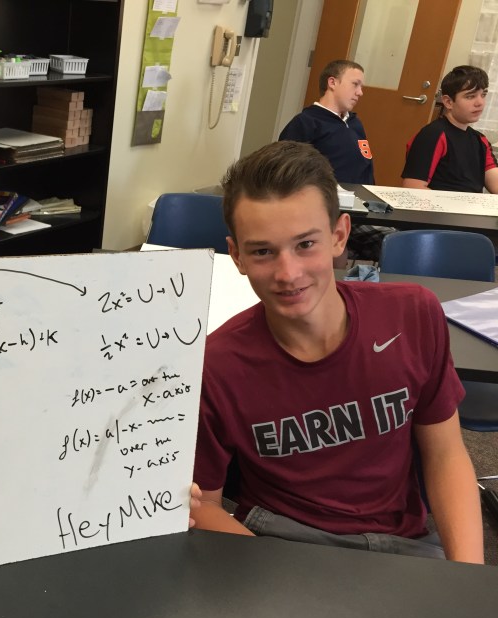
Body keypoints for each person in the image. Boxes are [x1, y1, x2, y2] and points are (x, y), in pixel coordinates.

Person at [190, 140, 484, 564]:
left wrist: (468, 575)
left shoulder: (413, 314)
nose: (288, 273)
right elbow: (203, 503)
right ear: (236, 255)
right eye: (262, 251)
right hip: (277, 544)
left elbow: (445, 453)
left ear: (339, 236)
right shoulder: (215, 365)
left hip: (401, 544)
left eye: (305, 244)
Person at [279, 59, 392, 264]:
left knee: (401, 241)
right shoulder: (307, 123)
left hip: (363, 209)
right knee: (391, 243)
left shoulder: (355, 124)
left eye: (361, 87)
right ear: (332, 82)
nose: (360, 92)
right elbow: (286, 176)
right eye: (355, 84)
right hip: (329, 211)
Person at [401, 65, 498, 193]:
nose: (480, 103)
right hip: (439, 205)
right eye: (470, 96)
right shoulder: (433, 135)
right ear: (448, 102)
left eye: (483, 95)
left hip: (471, 205)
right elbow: (412, 187)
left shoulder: (480, 140)